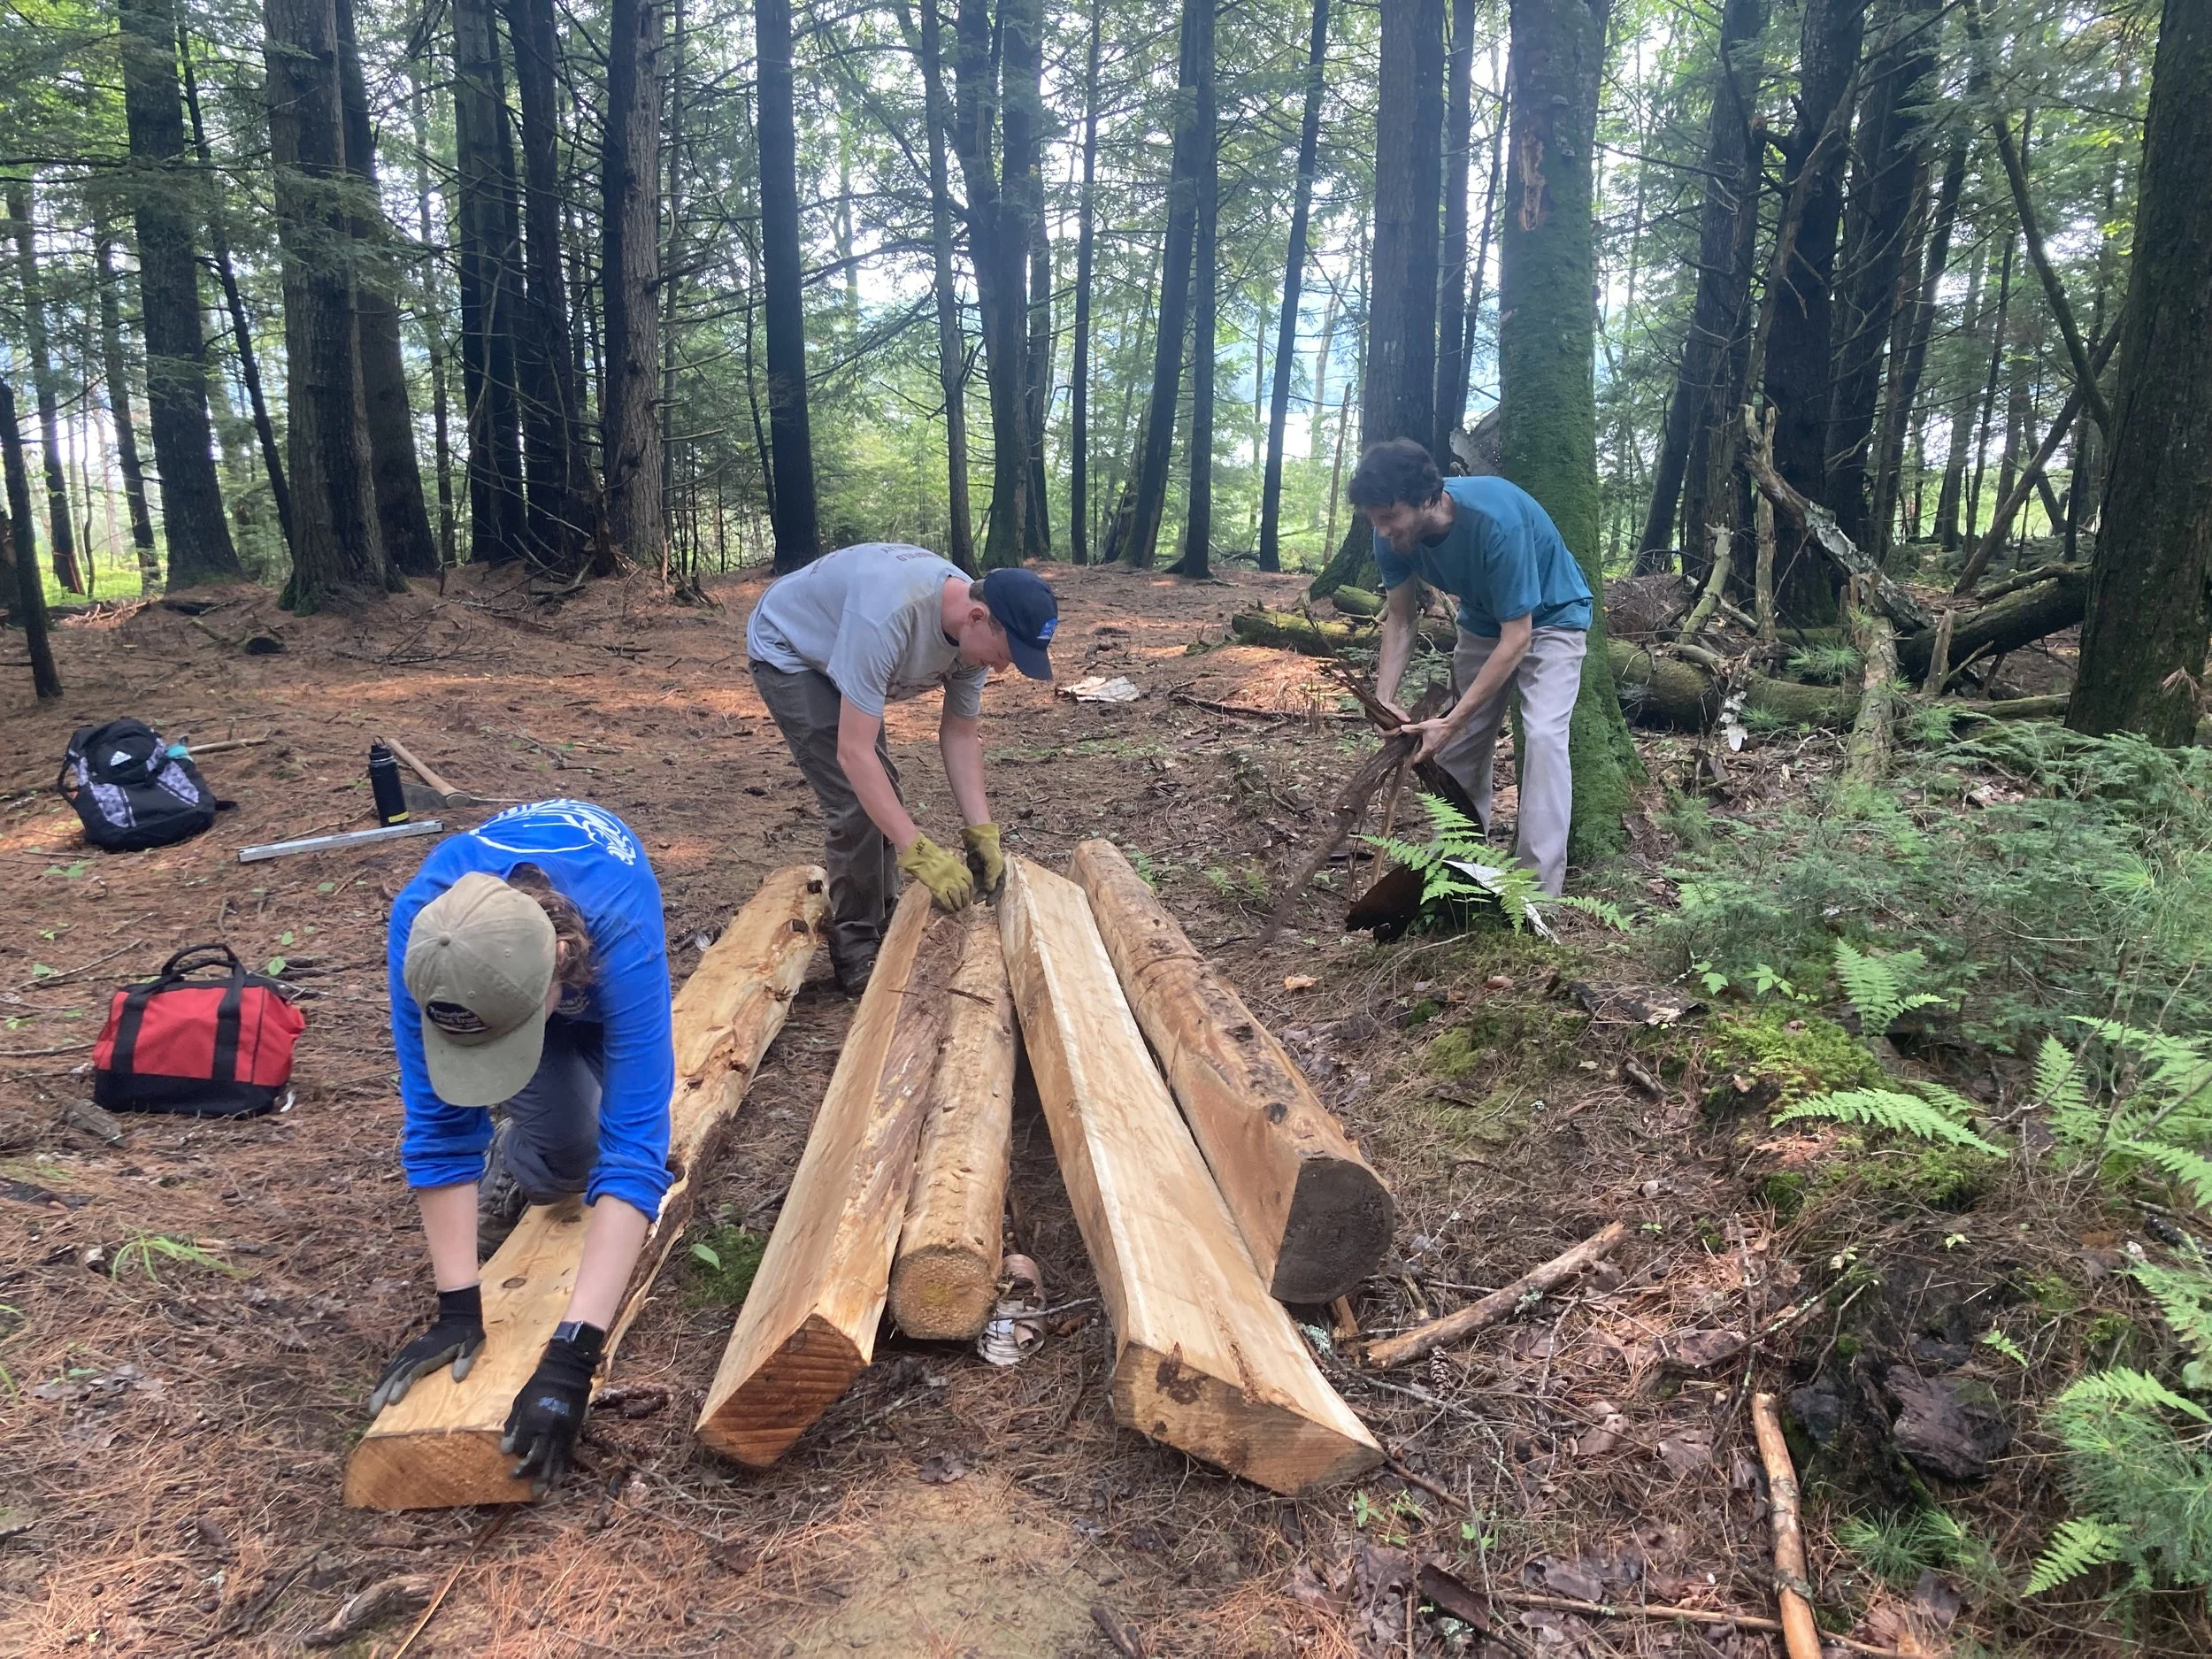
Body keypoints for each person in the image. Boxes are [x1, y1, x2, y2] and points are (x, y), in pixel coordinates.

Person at [368, 800, 675, 1497]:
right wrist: (457, 1307)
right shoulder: (427, 938)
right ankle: (534, 1153)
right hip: (512, 989)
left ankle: (527, 1133)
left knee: (607, 1142)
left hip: (591, 969)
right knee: (570, 1157)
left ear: (560, 968)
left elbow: (636, 1149)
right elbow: (437, 1124)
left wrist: (573, 1354)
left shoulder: (620, 931)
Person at [745, 541, 1057, 993]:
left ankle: (883, 913)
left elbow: (960, 734)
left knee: (882, 788)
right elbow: (853, 753)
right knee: (855, 799)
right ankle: (855, 945)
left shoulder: (976, 640)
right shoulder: (889, 617)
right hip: (792, 651)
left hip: (847, 649)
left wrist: (981, 830)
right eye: (1005, 655)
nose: (1003, 669)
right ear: (976, 618)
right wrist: (920, 853)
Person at [1351, 438, 1594, 896]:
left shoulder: (1495, 521)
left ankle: (1536, 897)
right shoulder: (1390, 535)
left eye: (1388, 517)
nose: (1381, 531)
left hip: (1554, 619)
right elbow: (1402, 617)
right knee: (1456, 751)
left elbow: (1519, 636)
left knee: (1542, 737)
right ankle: (1462, 879)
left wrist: (1451, 718)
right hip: (1485, 623)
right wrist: (1383, 699)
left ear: (1427, 499)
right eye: (1374, 520)